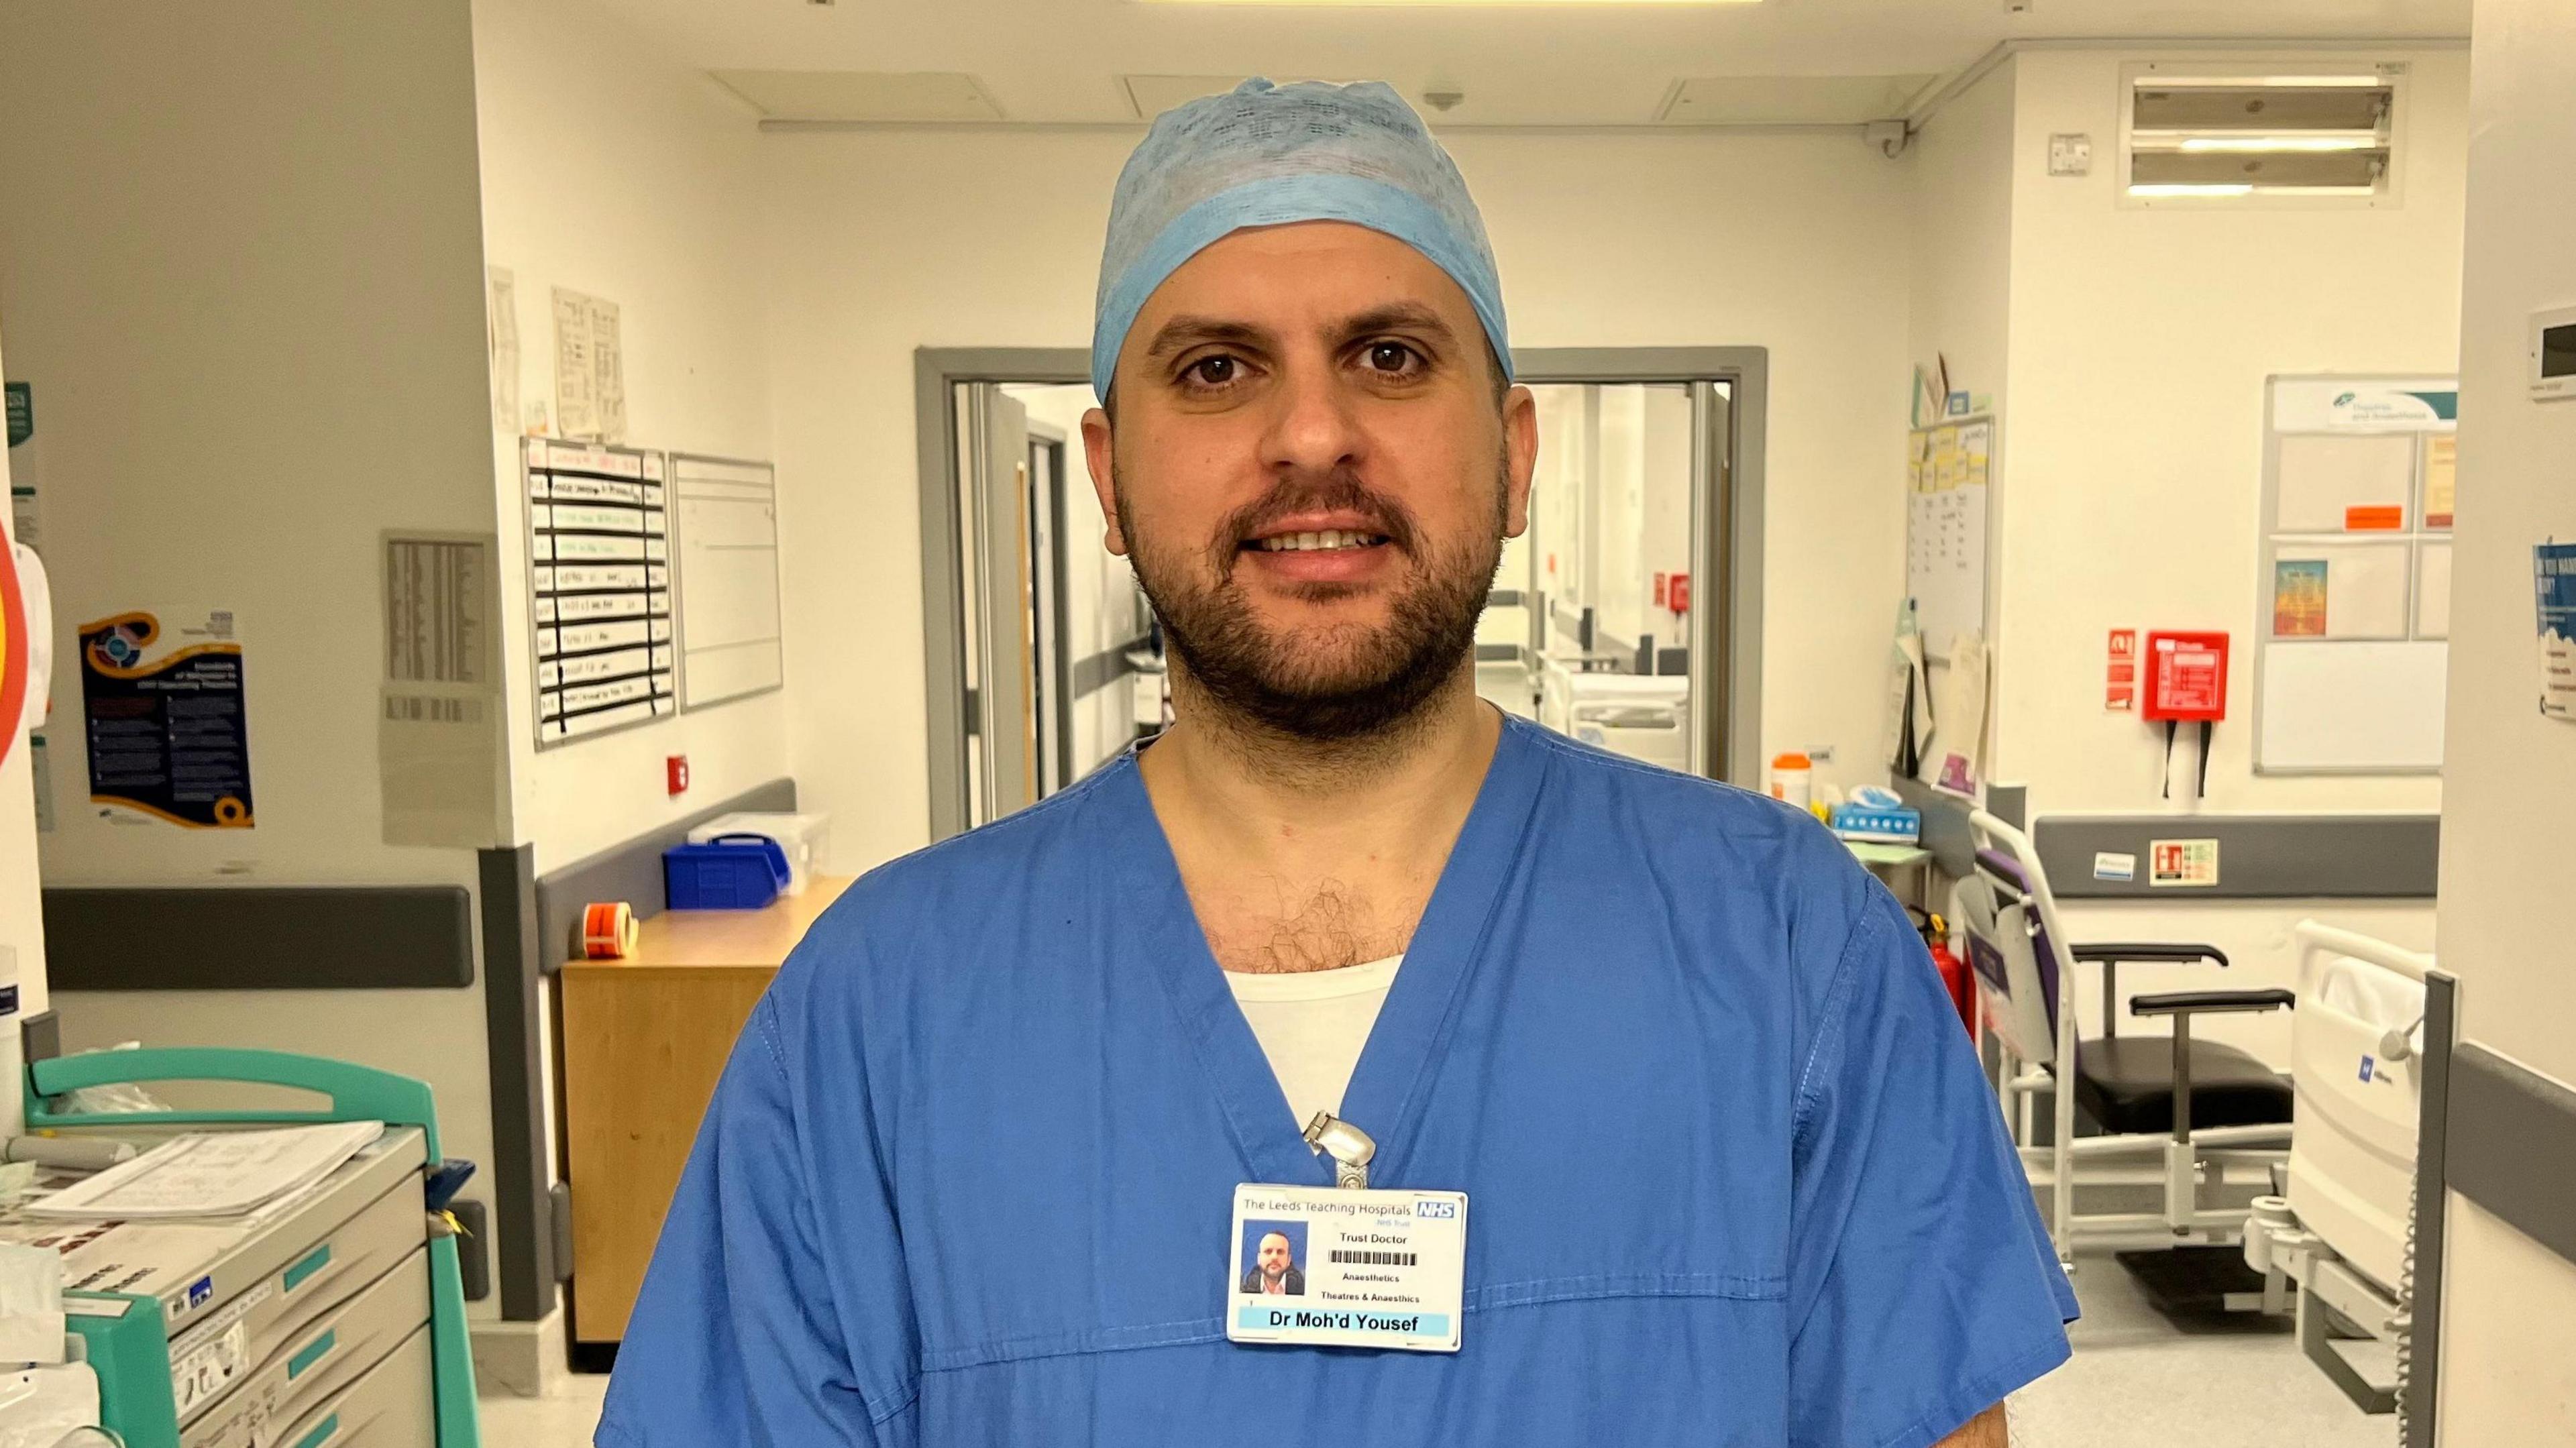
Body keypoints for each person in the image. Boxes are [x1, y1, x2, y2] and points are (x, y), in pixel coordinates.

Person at [599, 78, 2074, 1448]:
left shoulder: (1792, 956)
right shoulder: (874, 1017)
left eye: (1388, 354)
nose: (1313, 436)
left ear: (1511, 450)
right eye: (1218, 367)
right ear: (1111, 479)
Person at [1241, 1230, 1305, 1296]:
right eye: (1268, 1251)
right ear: (1259, 1259)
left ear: (1289, 1260)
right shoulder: (1244, 1291)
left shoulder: (1304, 1292)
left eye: (1280, 1252)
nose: (1274, 1257)